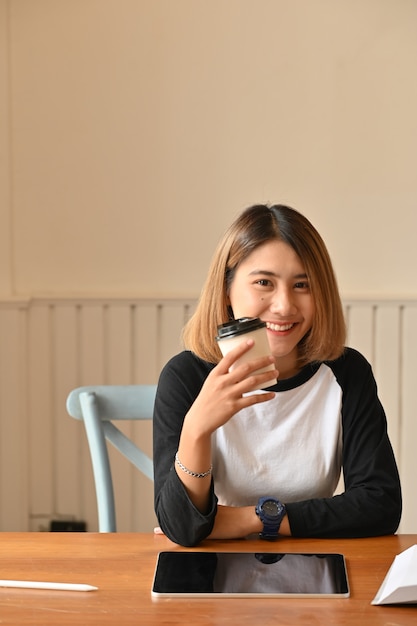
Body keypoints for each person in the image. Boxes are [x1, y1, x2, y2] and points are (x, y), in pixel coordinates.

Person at [153, 204, 402, 547]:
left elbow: (380, 505)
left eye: (302, 285)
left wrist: (250, 519)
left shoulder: (347, 374)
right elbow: (181, 527)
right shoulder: (185, 377)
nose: (284, 306)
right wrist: (196, 428)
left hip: (311, 565)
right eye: (264, 282)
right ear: (226, 291)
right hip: (212, 570)